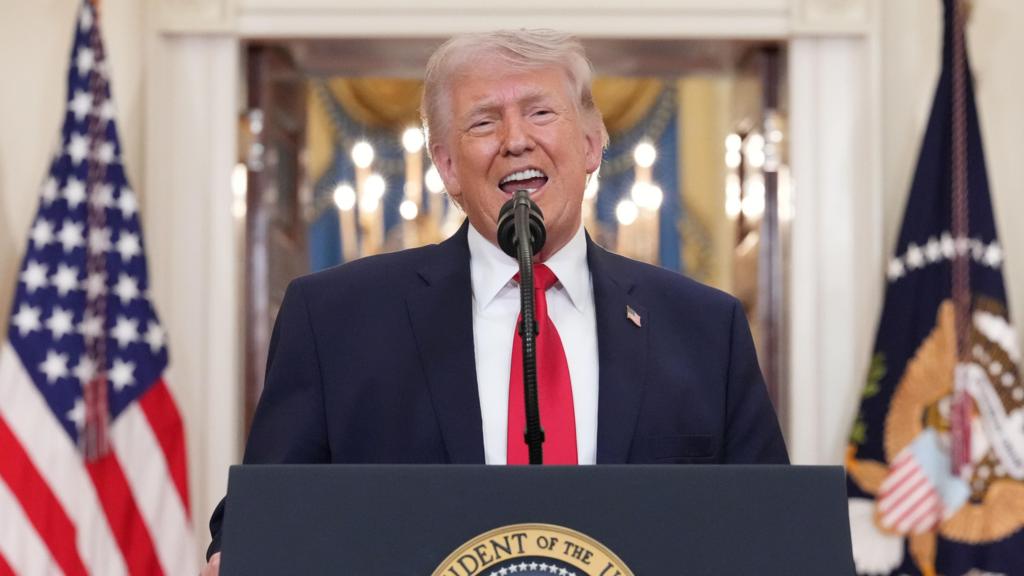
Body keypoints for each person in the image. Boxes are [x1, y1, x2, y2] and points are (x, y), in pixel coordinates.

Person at [201, 28, 787, 574]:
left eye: (540, 112)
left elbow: (772, 526)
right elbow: (264, 513)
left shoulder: (705, 328)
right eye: (483, 122)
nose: (515, 140)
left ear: (591, 144)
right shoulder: (334, 321)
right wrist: (240, 549)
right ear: (447, 167)